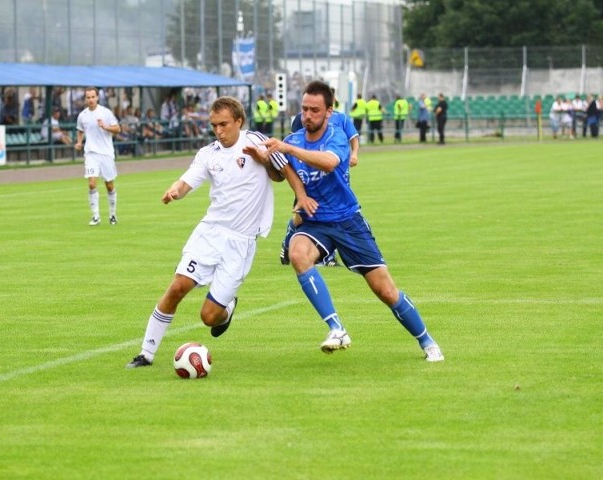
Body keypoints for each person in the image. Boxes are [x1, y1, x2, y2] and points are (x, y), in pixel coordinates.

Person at [248, 80, 444, 361]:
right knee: (297, 253)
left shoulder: (335, 136)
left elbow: (328, 162)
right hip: (316, 222)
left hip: (347, 221)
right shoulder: (293, 140)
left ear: (329, 111)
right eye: (304, 109)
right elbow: (281, 174)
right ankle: (336, 327)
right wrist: (266, 161)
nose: (307, 115)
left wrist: (288, 151)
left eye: (315, 110)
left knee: (385, 291)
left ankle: (427, 341)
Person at [126, 96, 316, 368]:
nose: (218, 130)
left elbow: (281, 172)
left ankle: (227, 309)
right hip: (210, 232)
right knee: (177, 287)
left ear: (239, 121)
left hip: (241, 242)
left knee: (209, 317)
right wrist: (175, 191)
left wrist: (267, 165)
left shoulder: (256, 140)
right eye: (214, 125)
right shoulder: (208, 153)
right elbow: (187, 181)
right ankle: (146, 353)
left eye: (224, 124)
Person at [282, 102, 360, 266]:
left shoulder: (341, 119)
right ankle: (317, 253)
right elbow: (295, 145)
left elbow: (353, 137)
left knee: (330, 212)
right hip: (309, 178)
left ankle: (295, 245)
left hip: (337, 174)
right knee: (307, 214)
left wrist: (354, 154)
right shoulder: (302, 121)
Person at [75, 86, 121, 226]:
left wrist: (105, 127)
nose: (90, 100)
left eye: (93, 97)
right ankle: (96, 216)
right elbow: (80, 130)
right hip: (91, 154)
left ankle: (112, 215)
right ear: (85, 99)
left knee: (109, 186)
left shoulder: (105, 113)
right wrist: (79, 142)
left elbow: (117, 129)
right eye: (88, 97)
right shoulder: (82, 115)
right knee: (92, 183)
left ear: (97, 97)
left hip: (106, 153)